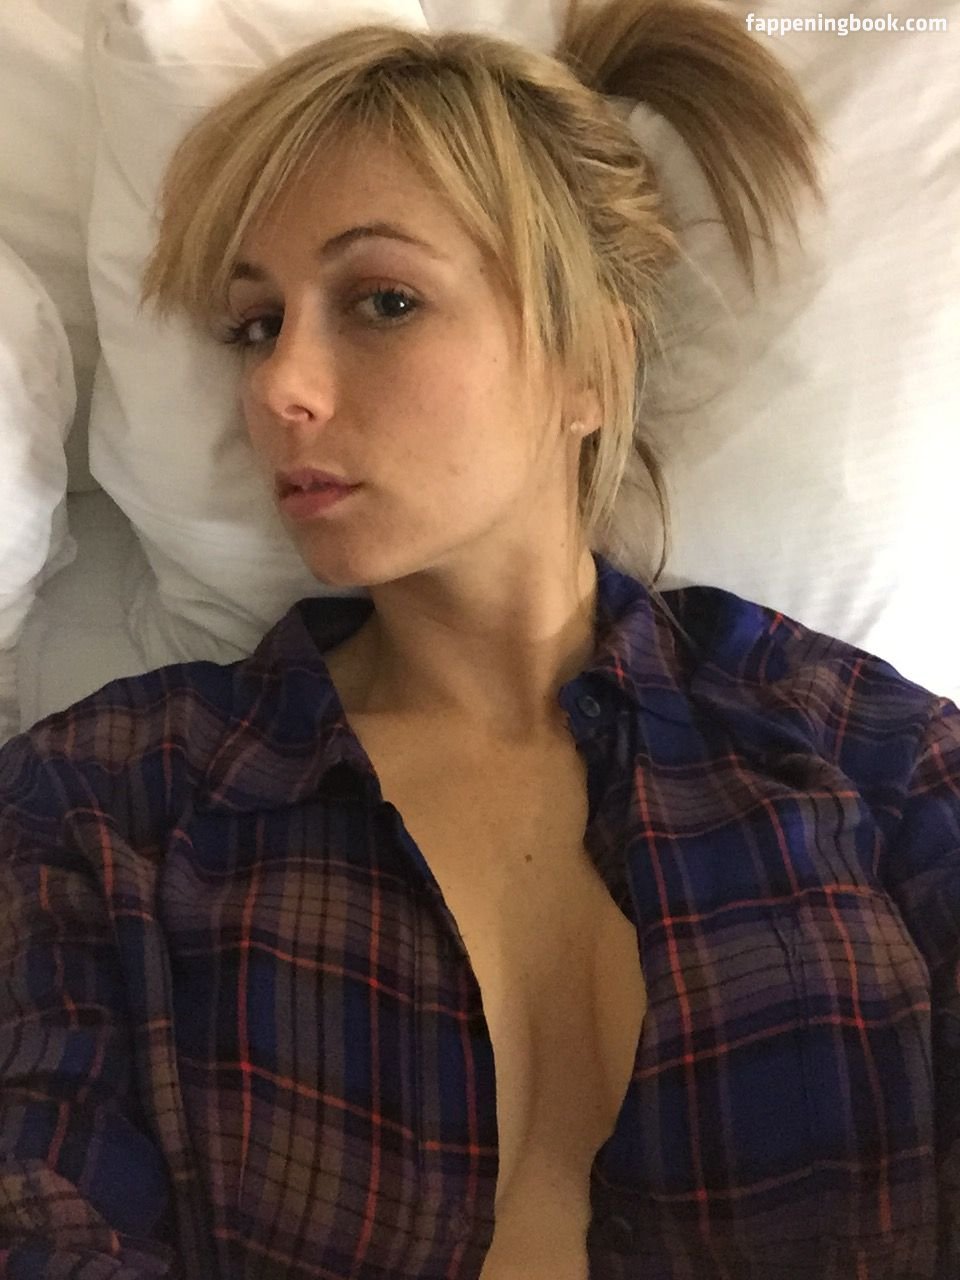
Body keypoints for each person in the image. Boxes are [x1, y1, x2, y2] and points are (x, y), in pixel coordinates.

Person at [0, 0, 958, 1275]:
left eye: (383, 299)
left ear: (590, 364)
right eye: (255, 323)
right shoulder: (108, 803)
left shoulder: (876, 767)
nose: (279, 385)